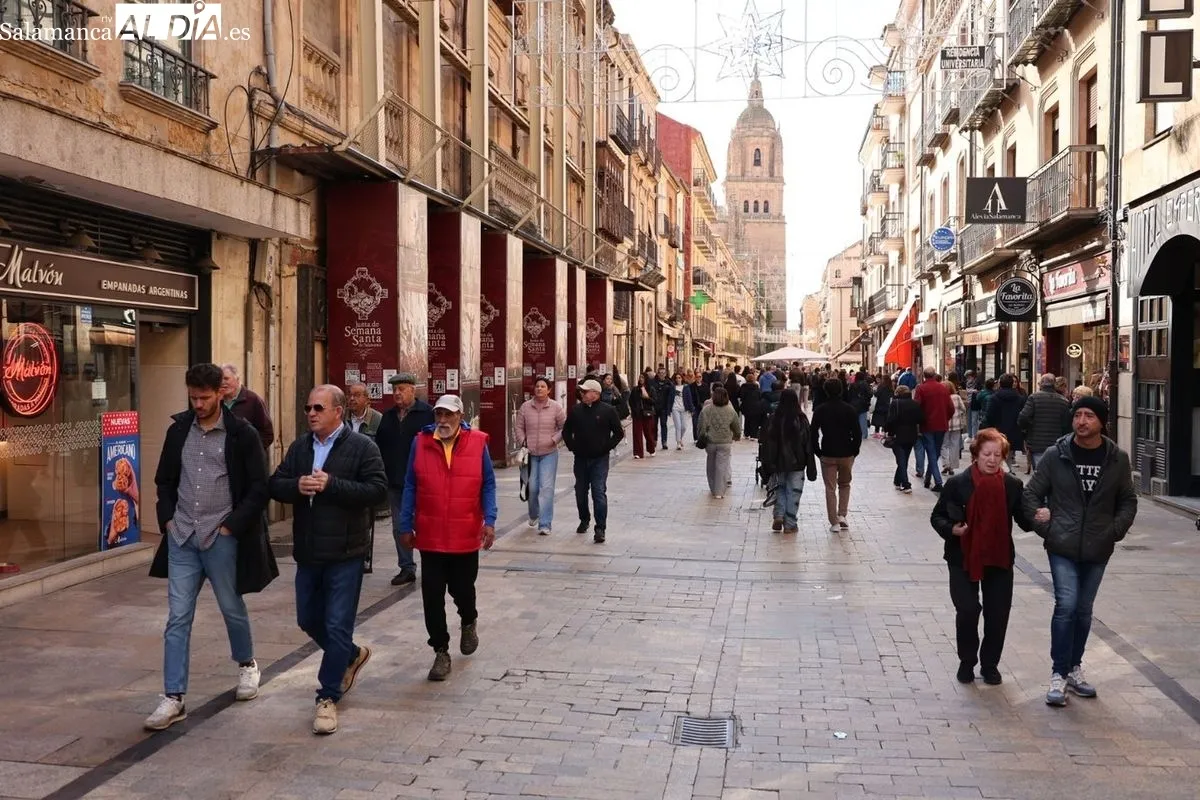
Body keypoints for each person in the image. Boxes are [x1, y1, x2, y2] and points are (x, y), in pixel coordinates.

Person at [144, 363, 274, 732]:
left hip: (220, 536)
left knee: (231, 607)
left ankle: (247, 664)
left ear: (221, 393)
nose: (198, 404)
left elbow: (259, 487)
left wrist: (232, 526)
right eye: (193, 398)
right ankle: (173, 696)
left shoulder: (242, 434)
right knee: (178, 617)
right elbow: (164, 480)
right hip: (183, 536)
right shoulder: (178, 431)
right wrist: (167, 520)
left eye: (204, 397)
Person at [269, 384, 388, 734]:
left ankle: (327, 695)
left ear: (338, 411)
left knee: (337, 625)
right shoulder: (300, 447)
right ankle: (350, 654)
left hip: (346, 553)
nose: (311, 413)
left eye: (318, 408)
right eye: (308, 407)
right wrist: (297, 486)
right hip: (309, 552)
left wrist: (332, 484)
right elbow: (275, 484)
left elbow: (378, 491)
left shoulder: (362, 447)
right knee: (308, 619)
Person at [1022, 396, 1138, 707]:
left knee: (1084, 610)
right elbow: (1031, 495)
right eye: (1078, 415)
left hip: (1098, 546)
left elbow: (1128, 500)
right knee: (1067, 605)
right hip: (1062, 543)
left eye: (1089, 416)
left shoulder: (1117, 459)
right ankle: (1058, 673)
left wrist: (1114, 531)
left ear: (1102, 422)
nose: (1081, 421)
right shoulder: (1056, 454)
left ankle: (1074, 667)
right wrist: (1046, 527)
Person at [396, 394, 498, 682]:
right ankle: (440, 650)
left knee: (463, 589)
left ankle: (468, 619)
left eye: (448, 415)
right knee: (432, 596)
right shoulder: (420, 443)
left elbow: (488, 484)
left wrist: (490, 521)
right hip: (430, 535)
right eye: (438, 414)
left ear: (460, 416)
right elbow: (410, 485)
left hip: (464, 534)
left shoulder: (477, 442)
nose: (442, 420)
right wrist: (405, 524)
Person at [931, 428, 1033, 686]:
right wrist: (951, 529)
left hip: (999, 557)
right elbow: (937, 516)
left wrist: (1040, 515)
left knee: (997, 614)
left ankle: (990, 665)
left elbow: (1024, 519)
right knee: (967, 610)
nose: (992, 459)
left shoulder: (1012, 485)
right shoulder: (957, 484)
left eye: (997, 455)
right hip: (963, 556)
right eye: (987, 454)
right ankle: (967, 661)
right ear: (976, 454)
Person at [374, 373, 435, 586]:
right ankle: (407, 567)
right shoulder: (388, 416)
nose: (397, 393)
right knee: (400, 526)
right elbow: (380, 447)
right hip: (396, 482)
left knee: (425, 525)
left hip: (422, 482)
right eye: (394, 390)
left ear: (412, 390)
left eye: (401, 389)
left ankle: (431, 566)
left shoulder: (427, 414)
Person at [562, 379, 624, 543]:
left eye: (585, 391)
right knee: (580, 491)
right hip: (581, 458)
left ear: (595, 394)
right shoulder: (576, 410)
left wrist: (605, 448)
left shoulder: (608, 410)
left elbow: (619, 433)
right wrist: (573, 447)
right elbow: (566, 431)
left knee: (598, 492)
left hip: (599, 460)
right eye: (581, 391)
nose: (582, 394)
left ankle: (600, 528)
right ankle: (584, 519)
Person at [759, 391, 817, 533]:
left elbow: (765, 442)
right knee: (794, 492)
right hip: (797, 462)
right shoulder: (801, 420)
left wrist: (767, 462)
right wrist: (810, 465)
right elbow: (807, 444)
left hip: (777, 462)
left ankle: (779, 515)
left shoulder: (773, 419)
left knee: (781, 488)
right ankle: (790, 523)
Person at [515, 377, 566, 535]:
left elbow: (564, 427)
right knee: (532, 487)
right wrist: (523, 441)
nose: (539, 389)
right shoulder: (525, 407)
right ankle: (534, 514)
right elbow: (519, 427)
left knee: (546, 488)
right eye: (537, 386)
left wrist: (554, 440)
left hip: (549, 453)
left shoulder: (556, 407)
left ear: (549, 390)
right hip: (530, 455)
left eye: (543, 386)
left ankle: (545, 524)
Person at [810, 378, 862, 533]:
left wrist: (817, 450)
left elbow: (813, 432)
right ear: (841, 390)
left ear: (825, 391)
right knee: (845, 484)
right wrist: (855, 450)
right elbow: (857, 432)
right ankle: (842, 515)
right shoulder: (849, 409)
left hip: (828, 452)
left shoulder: (820, 410)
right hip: (846, 452)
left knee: (830, 488)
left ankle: (834, 522)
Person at [1018, 373, 1072, 471]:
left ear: (1041, 383)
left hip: (1036, 442)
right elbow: (1066, 425)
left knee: (1039, 472)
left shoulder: (1034, 398)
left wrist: (1028, 429)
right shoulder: (1063, 401)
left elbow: (1023, 417)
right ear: (1054, 384)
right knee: (1053, 472)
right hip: (1056, 444)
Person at [913, 366, 955, 492]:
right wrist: (945, 418)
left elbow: (916, 407)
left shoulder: (921, 388)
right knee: (935, 453)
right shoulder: (943, 388)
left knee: (932, 453)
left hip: (927, 425)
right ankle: (928, 478)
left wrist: (918, 422)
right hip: (941, 425)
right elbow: (951, 408)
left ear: (924, 376)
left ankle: (938, 482)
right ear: (935, 375)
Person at [698, 385, 741, 498]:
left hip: (710, 442)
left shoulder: (707, 409)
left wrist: (701, 437)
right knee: (722, 466)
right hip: (725, 442)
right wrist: (736, 436)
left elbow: (701, 426)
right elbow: (736, 426)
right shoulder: (730, 410)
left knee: (711, 465)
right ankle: (719, 491)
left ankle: (713, 488)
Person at [219, 363, 275, 449]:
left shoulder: (253, 400)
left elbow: (267, 434)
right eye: (220, 379)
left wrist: (249, 451)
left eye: (226, 379)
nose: (222, 382)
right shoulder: (217, 401)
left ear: (237, 379)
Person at [884, 385, 924, 493]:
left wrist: (889, 432)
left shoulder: (895, 403)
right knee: (904, 459)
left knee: (901, 460)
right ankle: (897, 481)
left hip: (898, 435)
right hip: (911, 435)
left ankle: (906, 484)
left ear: (897, 393)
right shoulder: (915, 404)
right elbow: (920, 419)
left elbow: (890, 420)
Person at [983, 375, 1026, 469]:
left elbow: (989, 415)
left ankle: (1003, 473)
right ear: (1012, 384)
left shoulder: (993, 398)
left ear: (1000, 384)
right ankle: (1008, 472)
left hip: (997, 431)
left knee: (998, 455)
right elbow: (1023, 416)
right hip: (1014, 431)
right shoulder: (1020, 399)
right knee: (1009, 455)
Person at [941, 380, 968, 476]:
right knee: (954, 445)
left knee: (944, 445)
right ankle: (952, 466)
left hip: (944, 424)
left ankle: (945, 464)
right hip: (956, 425)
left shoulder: (942, 397)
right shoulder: (957, 397)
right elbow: (963, 409)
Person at [629, 373, 658, 459]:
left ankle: (651, 449)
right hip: (637, 414)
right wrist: (634, 410)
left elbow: (654, 401)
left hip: (647, 413)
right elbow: (631, 401)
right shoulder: (635, 389)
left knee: (648, 433)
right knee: (637, 433)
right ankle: (638, 453)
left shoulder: (651, 389)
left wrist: (647, 397)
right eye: (640, 377)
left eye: (643, 377)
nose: (641, 379)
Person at [683, 372, 709, 441]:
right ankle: (696, 438)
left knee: (704, 422)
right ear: (695, 378)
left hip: (704, 406)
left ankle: (703, 437)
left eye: (700, 377)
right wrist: (690, 407)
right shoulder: (691, 386)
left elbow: (708, 396)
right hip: (695, 406)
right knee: (695, 422)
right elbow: (689, 397)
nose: (698, 378)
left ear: (702, 378)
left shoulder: (705, 386)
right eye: (697, 377)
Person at [668, 373, 689, 450]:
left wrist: (691, 409)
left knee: (684, 427)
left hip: (684, 408)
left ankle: (680, 438)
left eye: (679, 377)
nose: (678, 379)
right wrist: (669, 410)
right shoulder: (673, 387)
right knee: (678, 426)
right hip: (675, 408)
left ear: (682, 378)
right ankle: (678, 443)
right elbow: (670, 399)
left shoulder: (686, 387)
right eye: (676, 378)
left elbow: (689, 398)